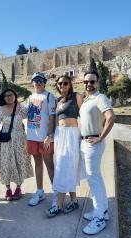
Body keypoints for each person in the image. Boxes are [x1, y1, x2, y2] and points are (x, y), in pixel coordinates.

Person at [79, 70, 115, 235]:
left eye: (92, 82)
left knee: (93, 179)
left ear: (97, 82)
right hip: (86, 142)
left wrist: (100, 137)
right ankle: (102, 211)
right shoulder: (87, 99)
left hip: (93, 143)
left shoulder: (100, 98)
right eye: (86, 82)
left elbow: (111, 117)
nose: (89, 84)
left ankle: (99, 218)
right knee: (96, 179)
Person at [45, 74, 85, 217]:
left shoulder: (77, 96)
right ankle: (74, 200)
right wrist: (51, 136)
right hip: (59, 135)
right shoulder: (57, 100)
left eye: (65, 83)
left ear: (70, 84)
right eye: (60, 83)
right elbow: (55, 121)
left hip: (72, 135)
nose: (62, 86)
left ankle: (59, 205)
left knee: (64, 167)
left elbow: (85, 115)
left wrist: (88, 135)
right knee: (64, 167)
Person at [26, 72, 57, 206]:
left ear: (44, 82)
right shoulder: (31, 97)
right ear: (32, 82)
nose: (38, 82)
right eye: (35, 80)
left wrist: (50, 136)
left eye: (40, 80)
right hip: (32, 136)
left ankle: (56, 193)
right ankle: (40, 192)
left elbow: (52, 117)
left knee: (49, 165)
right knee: (37, 164)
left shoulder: (49, 96)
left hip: (45, 137)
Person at [0, 88, 33, 201]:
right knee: (6, 163)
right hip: (6, 140)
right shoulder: (0, 109)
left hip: (20, 140)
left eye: (11, 95)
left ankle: (18, 187)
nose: (9, 97)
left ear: (15, 96)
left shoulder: (20, 107)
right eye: (6, 95)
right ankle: (7, 188)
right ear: (3, 98)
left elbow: (30, 113)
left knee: (19, 162)